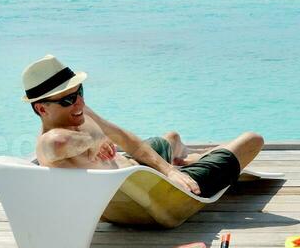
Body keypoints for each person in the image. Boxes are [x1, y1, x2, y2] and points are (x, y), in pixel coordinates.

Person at [22, 54, 264, 197]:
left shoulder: (80, 112)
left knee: (171, 136)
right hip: (152, 196)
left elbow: (126, 140)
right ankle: (194, 160)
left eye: (80, 92)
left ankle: (181, 160)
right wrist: (96, 140)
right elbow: (64, 142)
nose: (80, 102)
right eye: (68, 99)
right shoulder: (50, 142)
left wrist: (168, 170)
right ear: (42, 109)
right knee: (253, 140)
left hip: (139, 168)